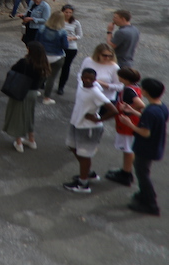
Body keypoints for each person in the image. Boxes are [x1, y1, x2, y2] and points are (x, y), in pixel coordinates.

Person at [118, 78, 169, 216]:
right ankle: (144, 195)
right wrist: (134, 112)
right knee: (143, 171)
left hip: (146, 148)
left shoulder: (150, 111)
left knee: (142, 173)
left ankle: (150, 202)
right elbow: (151, 119)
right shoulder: (161, 107)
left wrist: (129, 123)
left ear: (145, 91)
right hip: (155, 145)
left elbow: (145, 132)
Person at [63, 68, 118, 193]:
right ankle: (88, 173)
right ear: (81, 77)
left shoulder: (96, 92)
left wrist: (99, 119)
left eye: (91, 79)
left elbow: (114, 110)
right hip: (76, 123)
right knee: (72, 147)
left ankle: (83, 184)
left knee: (84, 155)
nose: (87, 80)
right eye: (85, 77)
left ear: (95, 79)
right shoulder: (81, 84)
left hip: (88, 128)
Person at [3, 41, 49, 153]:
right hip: (33, 93)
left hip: (21, 91)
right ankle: (31, 140)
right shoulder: (44, 64)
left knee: (18, 116)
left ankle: (19, 143)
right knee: (29, 116)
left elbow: (12, 70)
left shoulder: (24, 62)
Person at [104, 68, 145, 187]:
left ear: (125, 79)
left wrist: (128, 109)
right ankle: (125, 171)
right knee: (128, 148)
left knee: (127, 149)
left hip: (128, 123)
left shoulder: (128, 91)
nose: (119, 78)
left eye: (120, 77)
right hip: (130, 121)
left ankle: (126, 174)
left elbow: (140, 104)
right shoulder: (135, 87)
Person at [35, 11, 69, 105]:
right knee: (51, 77)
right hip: (56, 57)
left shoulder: (42, 28)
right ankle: (46, 98)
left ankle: (34, 90)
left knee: (41, 74)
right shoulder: (62, 32)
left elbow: (36, 41)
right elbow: (65, 46)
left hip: (43, 55)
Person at [57, 5, 83, 96]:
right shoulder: (58, 20)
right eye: (66, 12)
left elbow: (79, 35)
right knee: (53, 65)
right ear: (62, 12)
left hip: (70, 47)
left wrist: (72, 38)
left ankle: (61, 87)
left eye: (70, 12)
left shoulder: (76, 22)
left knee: (65, 67)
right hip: (58, 46)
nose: (68, 14)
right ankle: (44, 82)